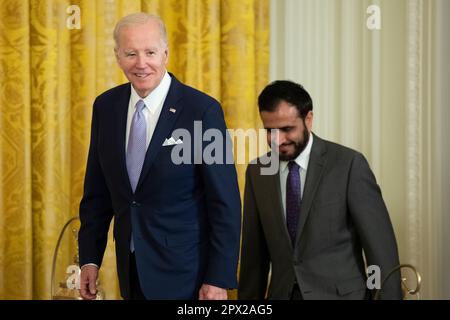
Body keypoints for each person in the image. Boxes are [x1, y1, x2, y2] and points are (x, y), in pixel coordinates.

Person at [78, 13, 241, 300]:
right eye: (131, 53)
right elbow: (97, 193)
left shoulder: (201, 111)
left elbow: (224, 202)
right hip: (131, 270)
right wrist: (90, 258)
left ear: (165, 53)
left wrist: (218, 278)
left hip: (188, 276)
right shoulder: (106, 107)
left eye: (150, 52)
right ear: (117, 56)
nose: (141, 63)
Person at [238, 80, 402, 300]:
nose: (278, 140)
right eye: (270, 131)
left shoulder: (349, 165)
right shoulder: (257, 172)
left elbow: (381, 253)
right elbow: (253, 260)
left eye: (287, 129)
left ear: (309, 119)